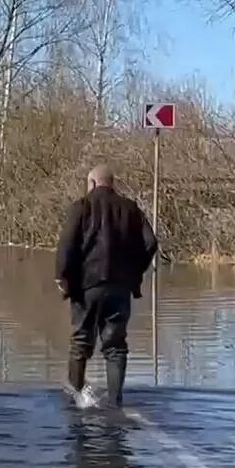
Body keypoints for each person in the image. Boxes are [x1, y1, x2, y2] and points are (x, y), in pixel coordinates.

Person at [55, 164, 158, 408]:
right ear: (112, 183)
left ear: (91, 183)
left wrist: (63, 278)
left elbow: (67, 244)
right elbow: (150, 243)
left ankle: (76, 396)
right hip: (120, 287)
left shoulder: (81, 206)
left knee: (81, 341)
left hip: (86, 285)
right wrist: (135, 273)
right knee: (115, 345)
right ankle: (115, 400)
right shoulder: (130, 208)